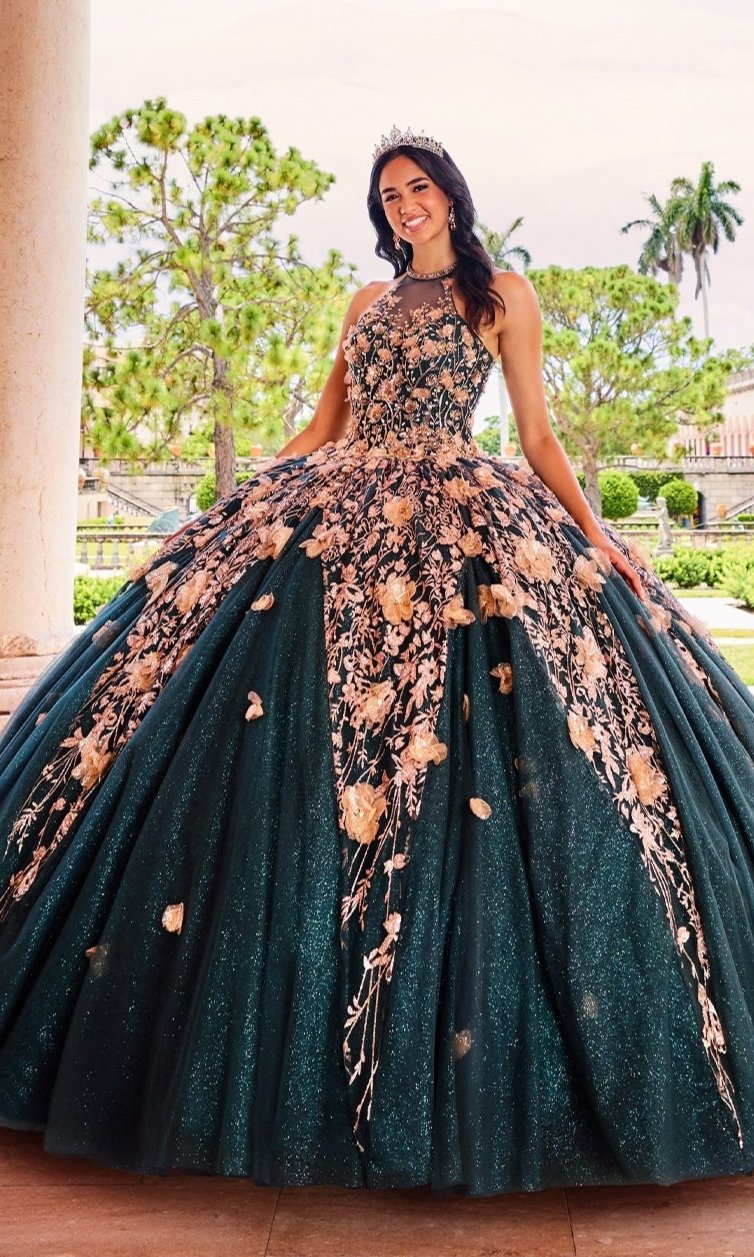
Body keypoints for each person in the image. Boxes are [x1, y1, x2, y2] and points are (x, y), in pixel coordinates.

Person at [0, 125, 753, 1198]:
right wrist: (245, 500)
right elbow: (323, 424)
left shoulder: (503, 298)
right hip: (338, 507)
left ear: (450, 195)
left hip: (464, 509)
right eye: (388, 195)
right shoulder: (362, 306)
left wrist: (598, 536)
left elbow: (537, 438)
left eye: (418, 189)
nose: (404, 206)